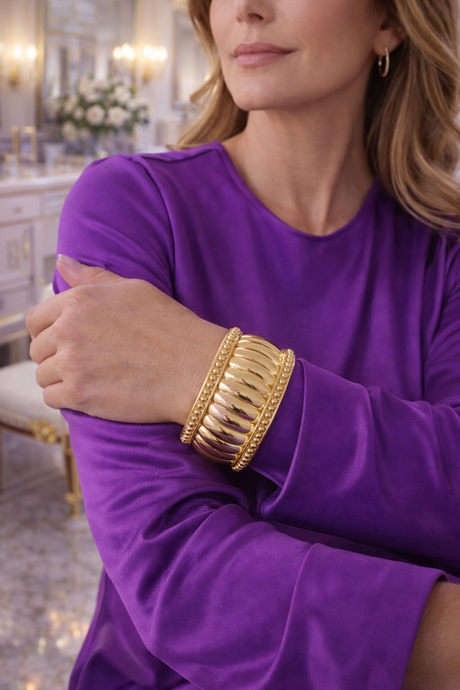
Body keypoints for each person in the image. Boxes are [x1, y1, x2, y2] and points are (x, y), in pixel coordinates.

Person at [26, 0, 460, 687]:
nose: (248, 8)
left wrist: (208, 371)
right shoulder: (131, 206)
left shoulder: (445, 250)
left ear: (389, 21)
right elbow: (184, 579)